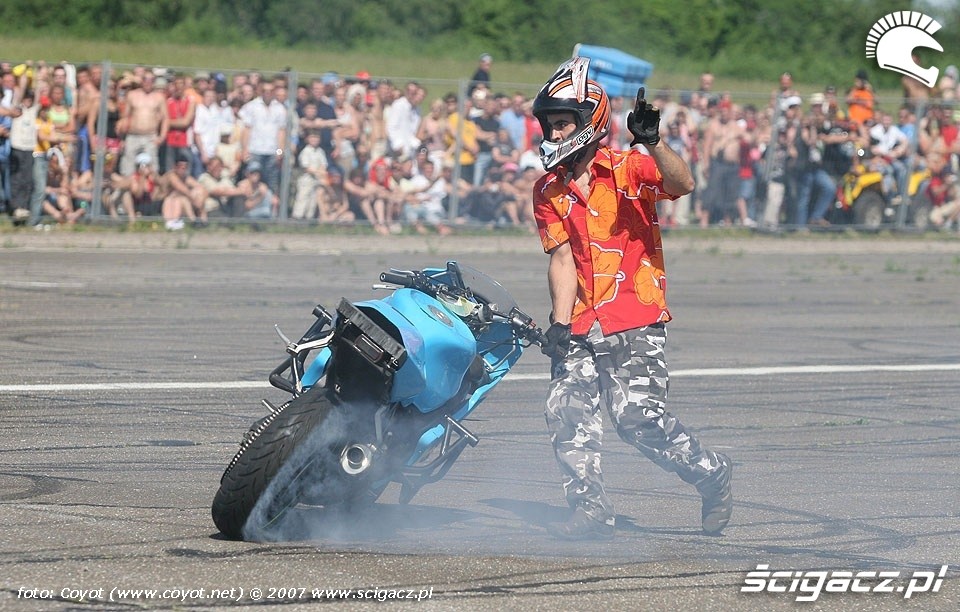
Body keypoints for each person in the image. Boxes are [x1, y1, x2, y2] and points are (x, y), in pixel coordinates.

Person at [530, 58, 732, 540]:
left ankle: (711, 472)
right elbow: (562, 259)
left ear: (588, 122)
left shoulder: (630, 168)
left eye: (563, 123)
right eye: (549, 124)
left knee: (637, 420)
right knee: (565, 409)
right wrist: (559, 323)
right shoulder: (548, 190)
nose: (554, 134)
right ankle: (590, 512)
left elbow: (682, 184)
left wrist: (654, 142)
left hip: (634, 317)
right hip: (582, 320)